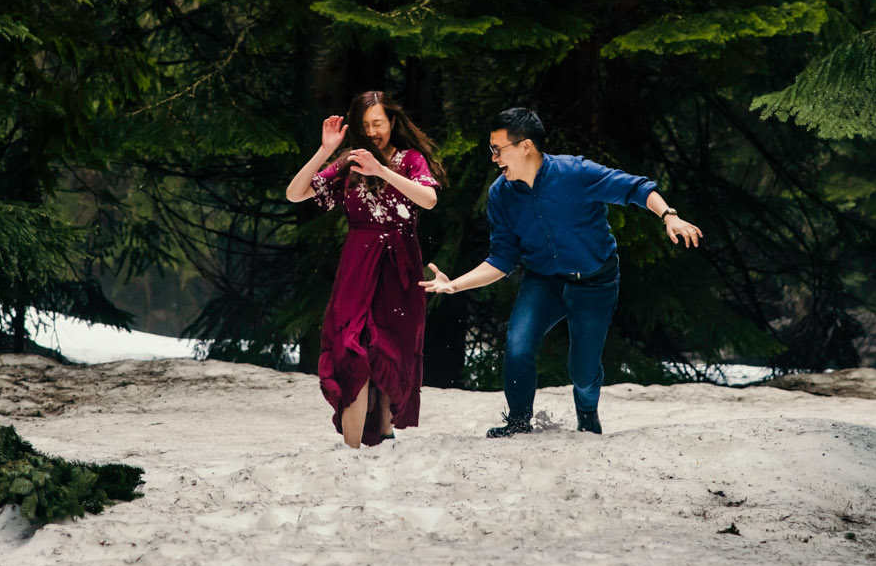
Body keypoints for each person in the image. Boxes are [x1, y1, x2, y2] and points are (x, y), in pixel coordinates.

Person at [420, 107, 701, 436]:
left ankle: (587, 414)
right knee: (518, 345)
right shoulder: (500, 195)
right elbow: (502, 258)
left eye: (498, 149)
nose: (494, 158)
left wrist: (669, 215)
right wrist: (454, 285)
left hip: (596, 281)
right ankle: (519, 421)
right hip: (544, 282)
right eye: (491, 150)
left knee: (582, 372)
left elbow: (635, 189)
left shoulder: (575, 173)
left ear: (525, 146)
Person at [286, 91, 446, 449]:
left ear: (392, 121)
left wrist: (382, 172)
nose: (372, 131)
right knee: (350, 350)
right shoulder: (349, 162)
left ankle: (385, 438)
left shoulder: (410, 159)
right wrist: (325, 151)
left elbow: (429, 199)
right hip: (357, 266)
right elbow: (295, 194)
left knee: (390, 351)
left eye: (378, 123)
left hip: (399, 266)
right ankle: (351, 452)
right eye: (365, 125)